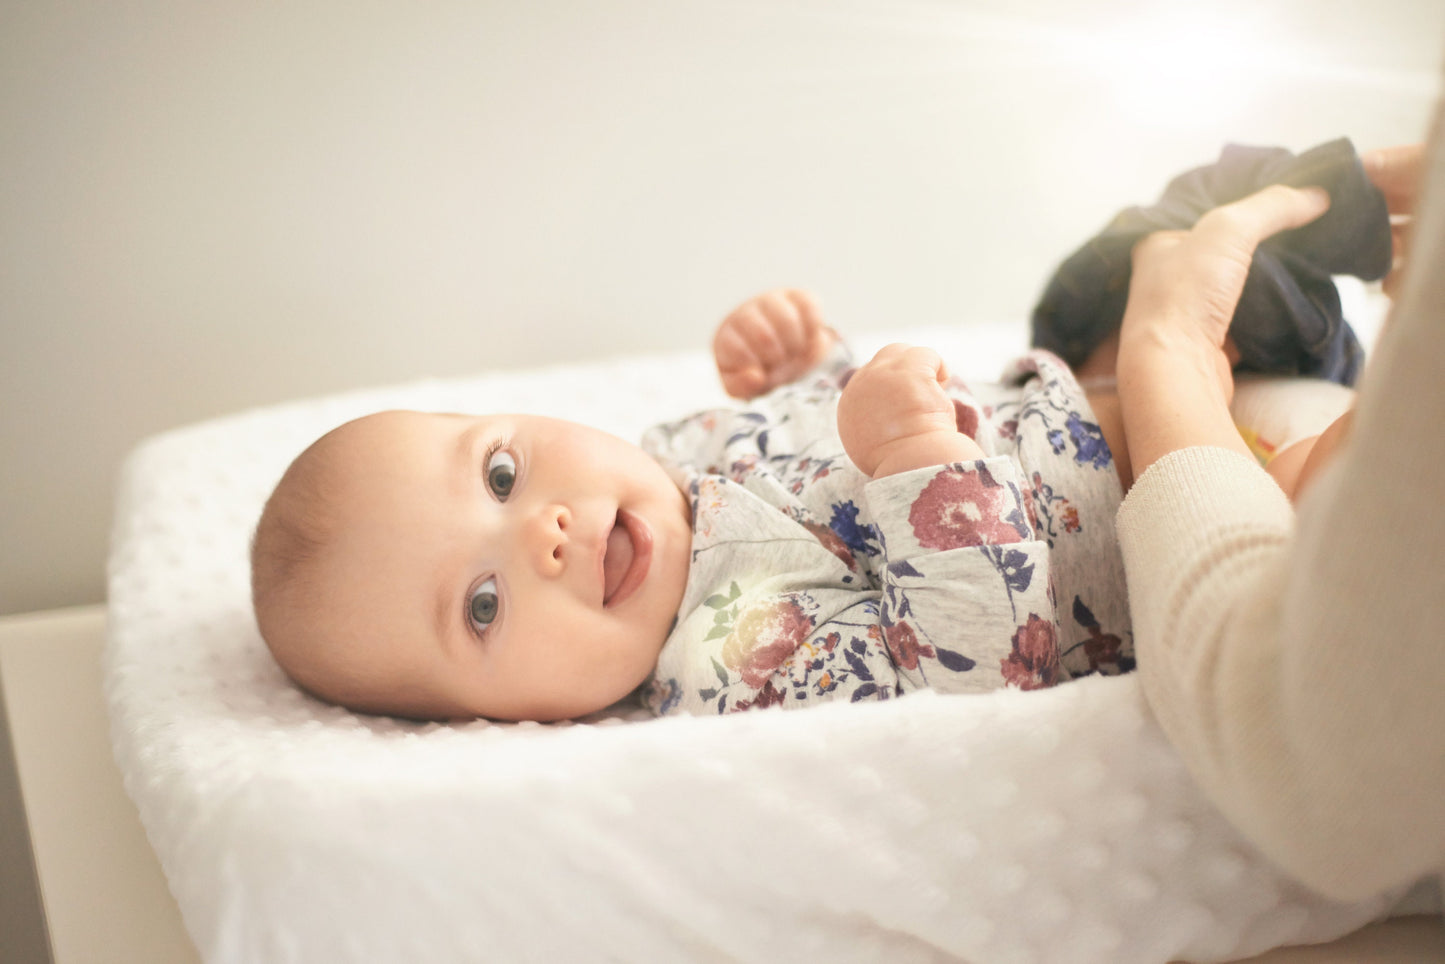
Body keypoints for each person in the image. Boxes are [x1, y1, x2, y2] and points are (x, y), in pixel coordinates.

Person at [251, 277, 1348, 723]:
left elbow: (833, 418)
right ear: (498, 723)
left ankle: (1295, 292)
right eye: (481, 606)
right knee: (1347, 487)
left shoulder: (670, 450)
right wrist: (914, 451)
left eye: (499, 475)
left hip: (1072, 393)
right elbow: (967, 665)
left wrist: (808, 364)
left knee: (1129, 270)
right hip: (1173, 516)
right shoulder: (728, 660)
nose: (538, 532)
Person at [1110, 122, 1444, 906]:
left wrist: (1169, 351)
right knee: (1196, 222)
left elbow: (1322, 761)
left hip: (1206, 364)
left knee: (1182, 231)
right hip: (1242, 345)